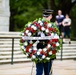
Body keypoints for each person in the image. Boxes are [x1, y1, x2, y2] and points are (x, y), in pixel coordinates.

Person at [36, 9, 54, 75]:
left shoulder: (53, 26)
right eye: (44, 16)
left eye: (46, 16)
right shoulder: (37, 25)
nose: (45, 18)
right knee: (39, 70)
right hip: (40, 46)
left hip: (48, 47)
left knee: (47, 69)